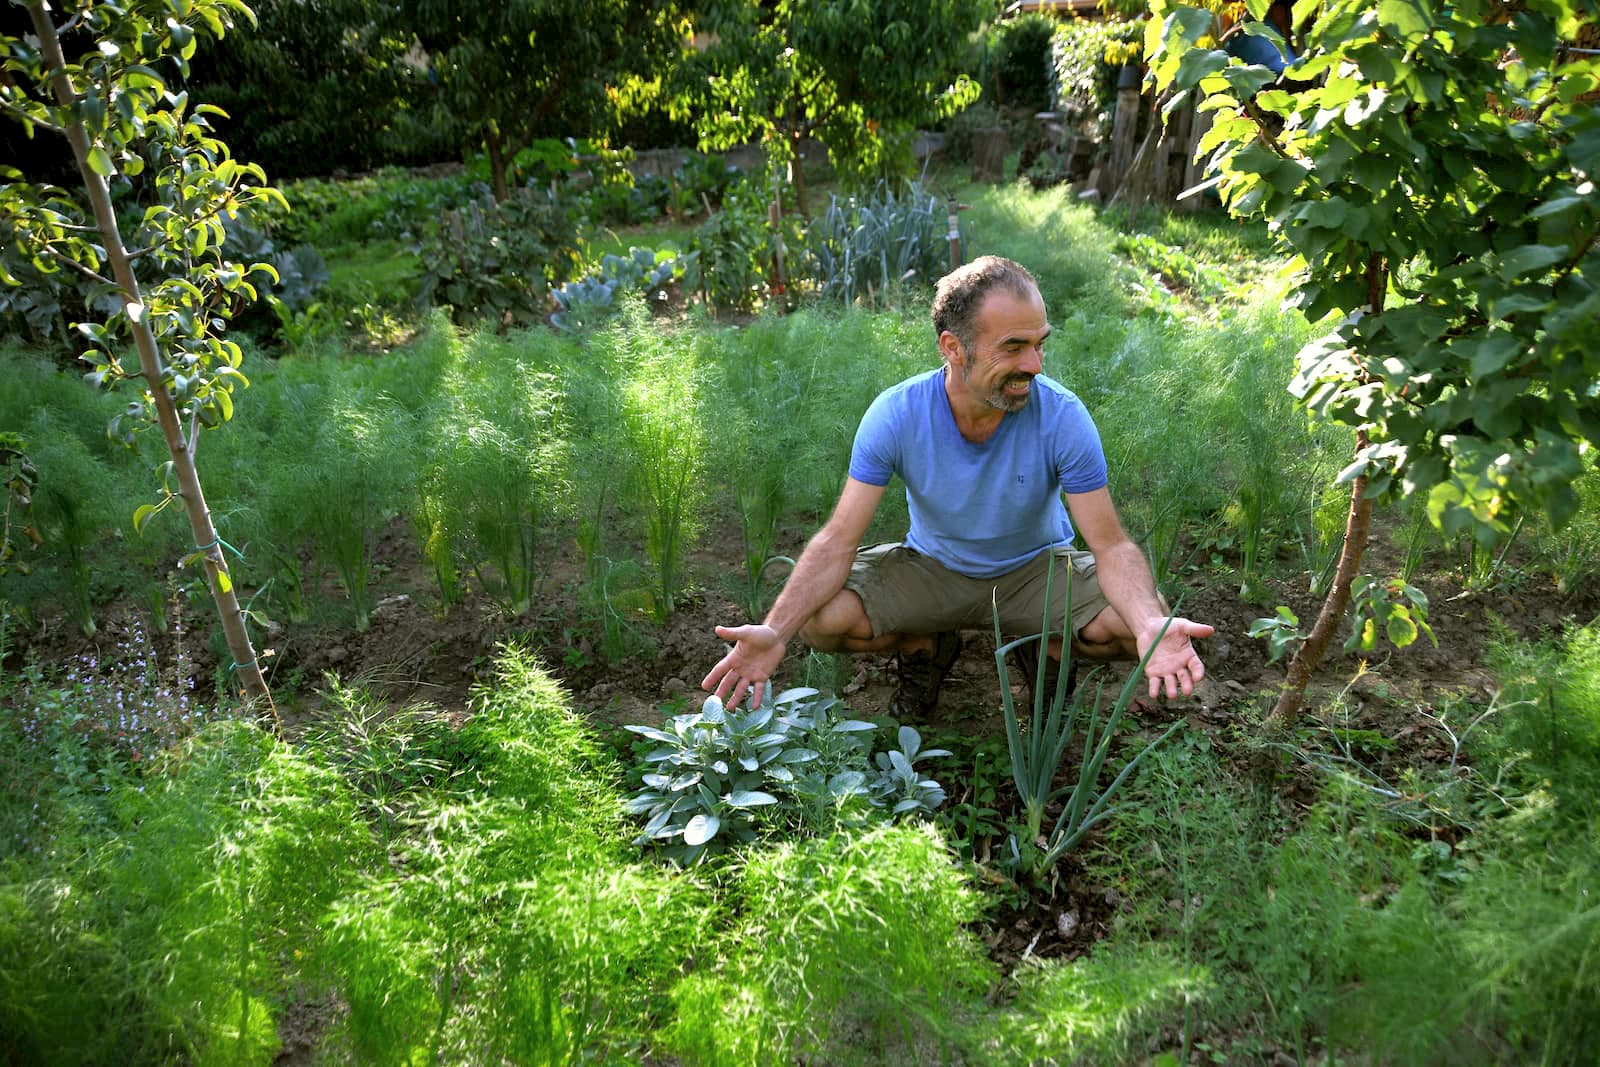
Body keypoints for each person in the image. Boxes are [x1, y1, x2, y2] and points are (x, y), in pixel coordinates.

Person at [702, 256, 1213, 713]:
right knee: (817, 619)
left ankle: (1047, 649)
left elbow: (1111, 545)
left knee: (1137, 625)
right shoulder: (897, 414)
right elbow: (839, 538)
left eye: (1039, 345)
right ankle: (926, 645)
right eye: (1013, 348)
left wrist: (1150, 624)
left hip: (1036, 573)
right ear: (953, 348)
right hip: (932, 570)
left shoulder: (1062, 416)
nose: (1033, 365)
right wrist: (775, 631)